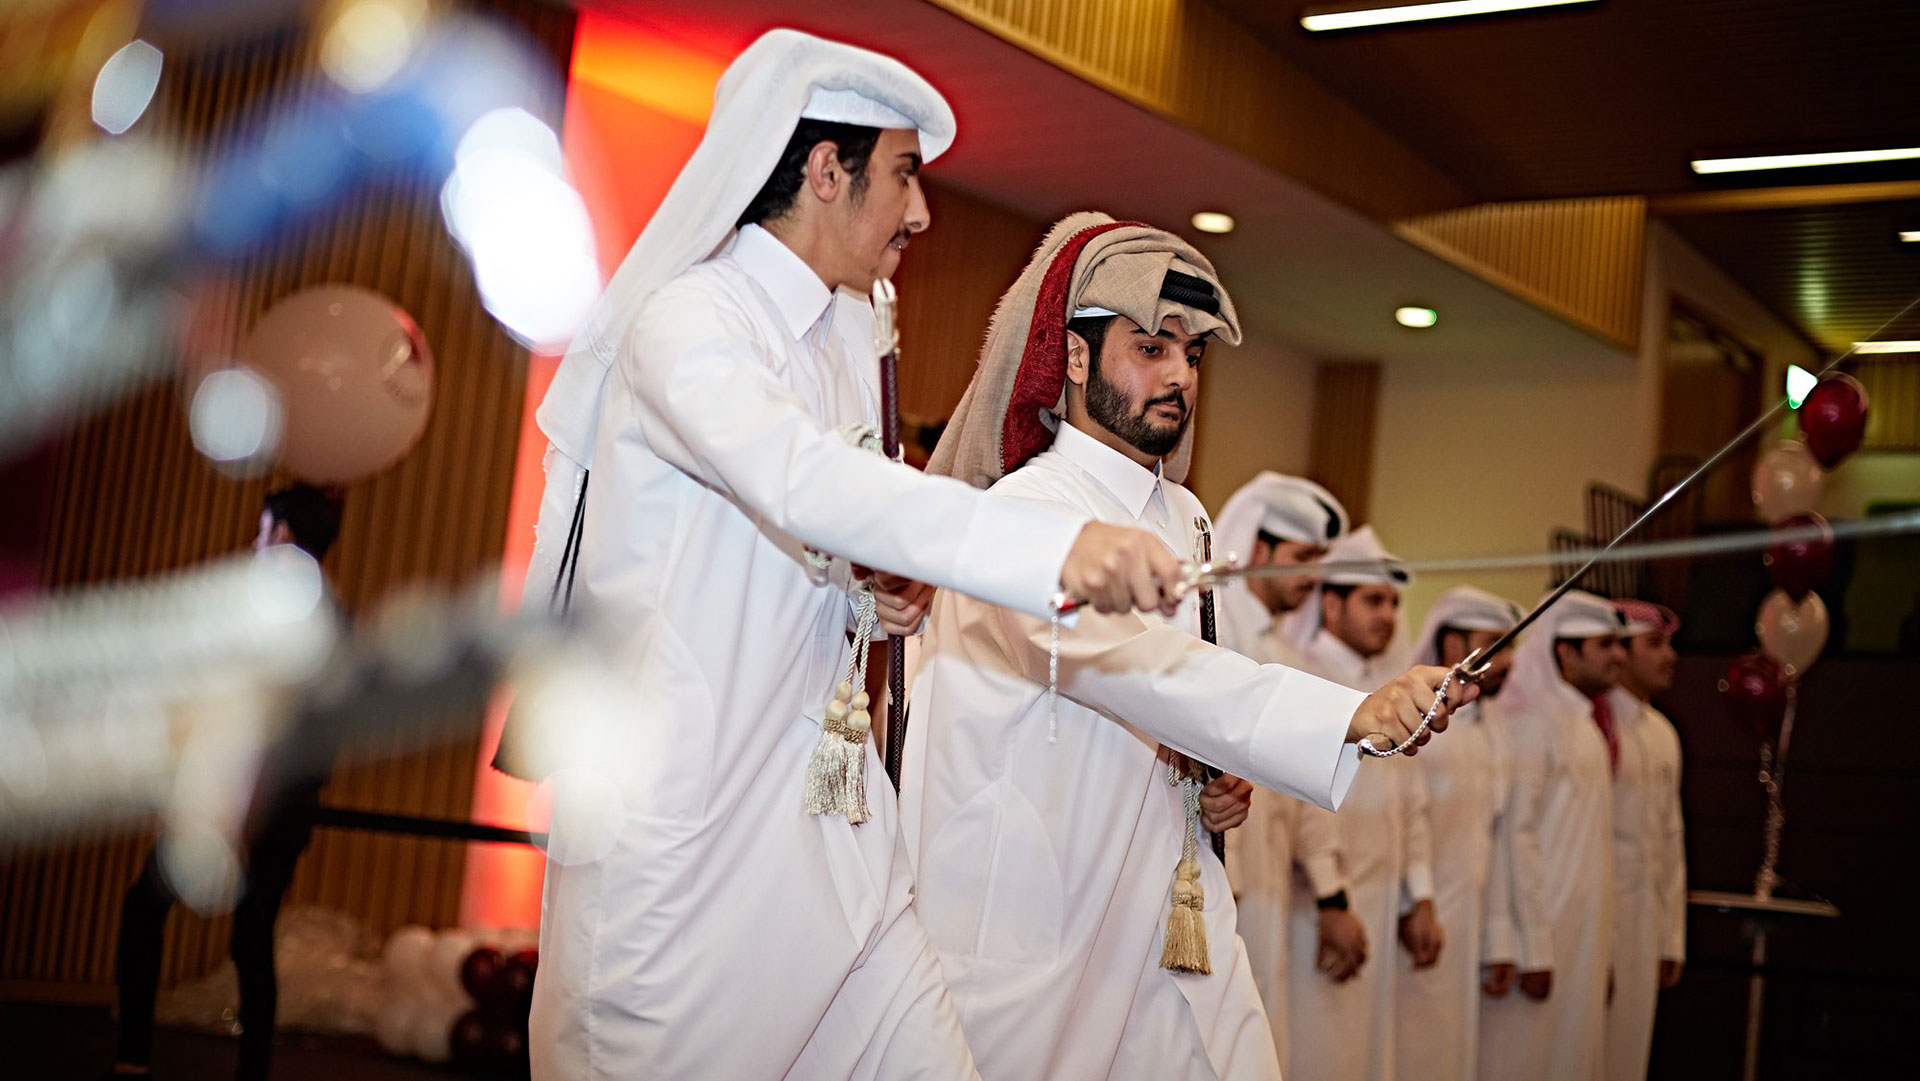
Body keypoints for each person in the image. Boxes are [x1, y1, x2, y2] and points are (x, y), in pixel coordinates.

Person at [508, 32, 1186, 1081]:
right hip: (685, 865)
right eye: (905, 173)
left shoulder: (847, 336)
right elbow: (801, 480)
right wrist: (1049, 544)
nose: (921, 213)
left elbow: (827, 540)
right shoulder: (689, 322)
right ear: (827, 171)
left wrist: (881, 594)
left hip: (837, 844)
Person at [901, 211, 1470, 1079]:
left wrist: (1204, 779)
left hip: (1170, 912)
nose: (1180, 376)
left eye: (1193, 355)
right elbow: (1137, 668)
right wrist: (1348, 714)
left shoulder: (1186, 517)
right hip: (1038, 922)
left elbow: (1176, 703)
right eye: (1152, 347)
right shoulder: (1028, 511)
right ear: (1077, 357)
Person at [109, 484, 345, 1081]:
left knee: (146, 911)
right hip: (284, 811)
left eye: (263, 528)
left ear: (283, 535)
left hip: (241, 806)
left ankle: (133, 1058)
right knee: (250, 940)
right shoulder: (332, 612)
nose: (254, 540)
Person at [1285, 526, 1436, 1081]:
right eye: (1373, 600)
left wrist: (1419, 897)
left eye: (1393, 603)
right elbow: (1303, 803)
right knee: (1317, 1054)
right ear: (1331, 603)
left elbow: (1410, 800)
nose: (1388, 616)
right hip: (1318, 910)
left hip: (1376, 904)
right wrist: (1332, 903)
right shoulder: (1304, 676)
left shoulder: (1389, 685)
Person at [1213, 473, 1349, 1063]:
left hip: (1269, 879)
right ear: (1258, 548)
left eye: (1319, 560)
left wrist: (1330, 893)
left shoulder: (1290, 652)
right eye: (1301, 558)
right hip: (1216, 875)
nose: (1311, 577)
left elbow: (1304, 786)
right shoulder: (1211, 621)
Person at [1478, 590, 1625, 1081]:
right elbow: (1515, 840)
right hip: (1539, 942)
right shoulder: (1531, 726)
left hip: (1581, 935)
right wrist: (1532, 947)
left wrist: (1602, 951)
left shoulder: (1584, 727)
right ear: (1565, 651)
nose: (1618, 656)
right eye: (1604, 644)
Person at [1392, 586, 1522, 1081]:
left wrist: (1498, 939)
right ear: (1453, 647)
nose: (1508, 662)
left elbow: (1492, 839)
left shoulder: (1494, 729)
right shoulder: (1416, 723)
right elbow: (1409, 822)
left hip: (1466, 921)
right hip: (1417, 920)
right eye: (1495, 645)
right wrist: (1416, 902)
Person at [1602, 600, 1687, 1081]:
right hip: (1597, 920)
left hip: (1644, 924)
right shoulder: (1595, 726)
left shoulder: (1664, 733)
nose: (1669, 657)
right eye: (1654, 645)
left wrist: (1670, 938)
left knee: (1629, 1058)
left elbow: (1670, 843)